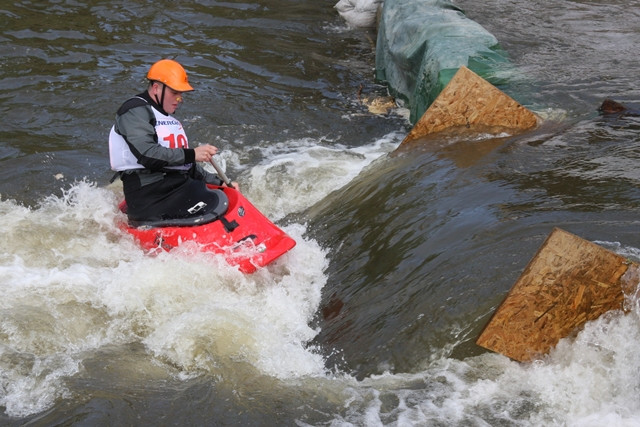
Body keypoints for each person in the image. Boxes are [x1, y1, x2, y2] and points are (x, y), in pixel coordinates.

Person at [109, 59, 238, 224]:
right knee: (215, 202)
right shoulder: (133, 111)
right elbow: (147, 155)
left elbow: (185, 165)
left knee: (221, 195)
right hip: (150, 197)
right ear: (156, 88)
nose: (179, 99)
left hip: (176, 188)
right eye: (174, 92)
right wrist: (192, 154)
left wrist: (220, 183)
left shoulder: (169, 120)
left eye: (181, 94)